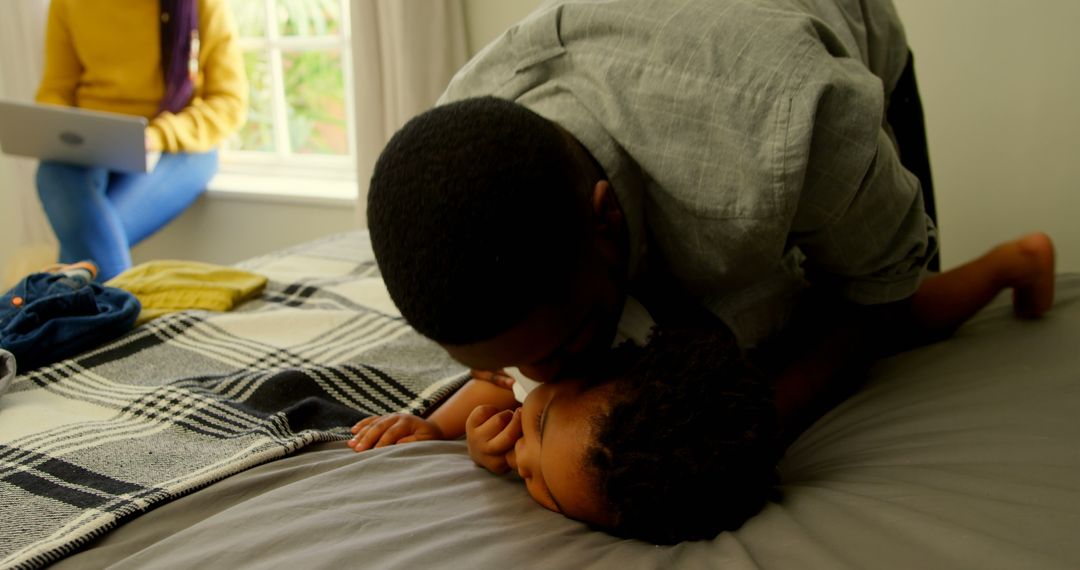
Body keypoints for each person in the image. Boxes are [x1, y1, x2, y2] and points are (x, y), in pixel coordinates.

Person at [367, 0, 940, 389]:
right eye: (500, 365)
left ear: (607, 219)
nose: (534, 383)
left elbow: (883, 288)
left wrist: (762, 421)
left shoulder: (800, 127)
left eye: (560, 349)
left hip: (810, 44)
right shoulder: (461, 121)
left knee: (908, 313)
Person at [348, 233, 1056, 544]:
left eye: (529, 460)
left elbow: (515, 397)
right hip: (733, 339)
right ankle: (1010, 259)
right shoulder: (610, 385)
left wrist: (465, 435)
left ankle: (1003, 265)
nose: (516, 455)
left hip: (794, 302)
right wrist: (444, 428)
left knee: (894, 317)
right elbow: (507, 387)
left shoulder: (629, 406)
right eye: (533, 447)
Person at [35, 0, 247, 281]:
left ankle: (66, 297)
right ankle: (122, 313)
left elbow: (230, 102)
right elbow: (56, 90)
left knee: (86, 237)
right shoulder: (68, 4)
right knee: (52, 173)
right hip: (96, 145)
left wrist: (157, 136)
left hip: (180, 147)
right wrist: (64, 128)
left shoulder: (201, 5)